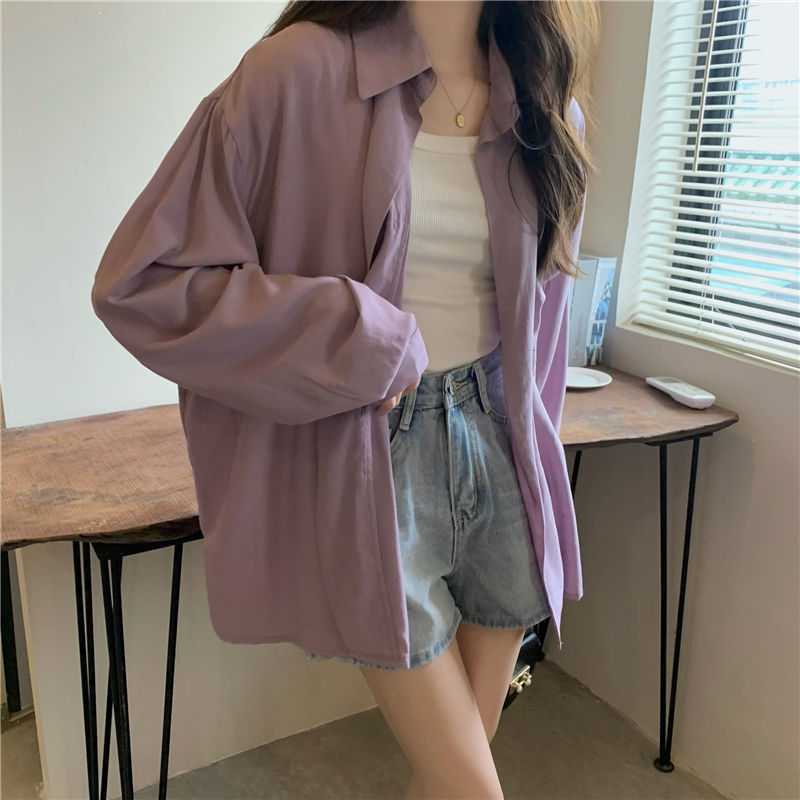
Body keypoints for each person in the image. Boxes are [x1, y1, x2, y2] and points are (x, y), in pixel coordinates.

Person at [92, 1, 597, 797]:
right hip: (372, 456)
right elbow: (144, 284)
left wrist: (536, 457)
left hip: (501, 449)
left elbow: (545, 326)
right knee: (471, 786)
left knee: (454, 770)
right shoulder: (295, 73)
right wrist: (356, 338)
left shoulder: (543, 96)